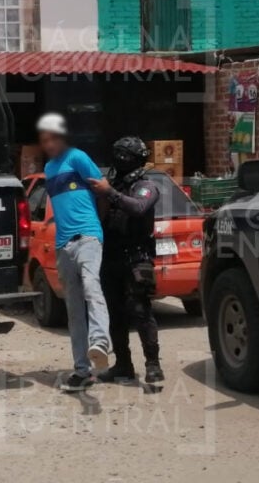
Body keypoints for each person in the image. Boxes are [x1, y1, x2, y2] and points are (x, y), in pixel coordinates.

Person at [37, 112, 111, 392]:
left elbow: (103, 190)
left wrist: (96, 226)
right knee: (74, 309)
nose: (49, 144)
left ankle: (100, 343)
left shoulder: (78, 157)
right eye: (44, 140)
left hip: (88, 236)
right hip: (63, 245)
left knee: (92, 288)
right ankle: (82, 370)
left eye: (52, 138)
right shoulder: (49, 169)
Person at [87, 137, 164, 384]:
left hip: (136, 257)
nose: (118, 159)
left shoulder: (145, 185)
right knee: (114, 313)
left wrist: (109, 193)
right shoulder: (111, 184)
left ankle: (153, 365)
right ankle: (123, 365)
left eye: (123, 155)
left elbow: (139, 207)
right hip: (111, 256)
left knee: (140, 310)